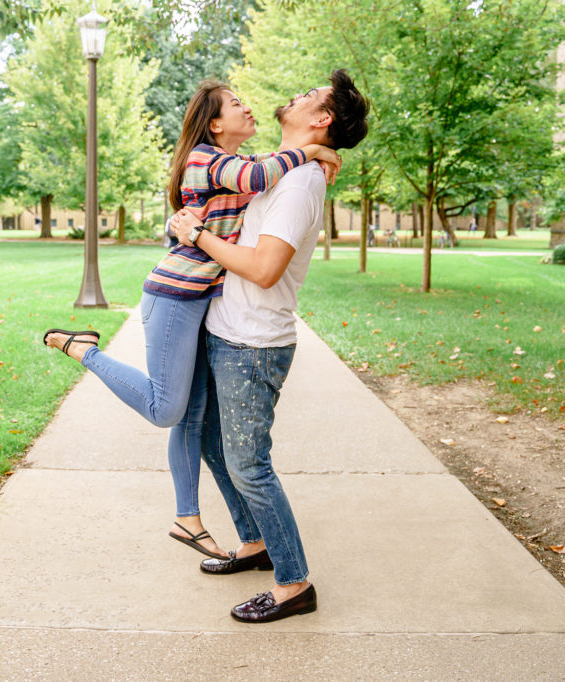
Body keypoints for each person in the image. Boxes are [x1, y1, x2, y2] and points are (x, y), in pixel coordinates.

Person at [43, 82, 342, 560]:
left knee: (193, 416)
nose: (248, 106)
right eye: (236, 104)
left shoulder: (244, 167)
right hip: (174, 296)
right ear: (215, 124)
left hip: (204, 303)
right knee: (166, 409)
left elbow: (262, 173)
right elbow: (262, 175)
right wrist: (311, 149)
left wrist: (310, 156)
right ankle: (84, 349)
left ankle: (187, 518)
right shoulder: (204, 158)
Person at [170, 69, 369, 623]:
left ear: (321, 119)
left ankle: (293, 583)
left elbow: (262, 268)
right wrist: (310, 153)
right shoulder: (285, 170)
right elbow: (246, 173)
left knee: (249, 465)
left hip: (252, 345)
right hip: (226, 330)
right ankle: (255, 543)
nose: (297, 93)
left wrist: (197, 234)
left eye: (311, 96)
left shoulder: (301, 185)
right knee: (212, 443)